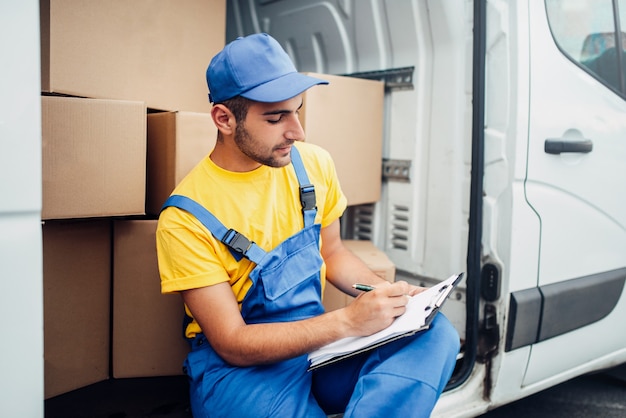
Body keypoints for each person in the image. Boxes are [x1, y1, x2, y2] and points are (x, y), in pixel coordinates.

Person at [156, 32, 460, 418]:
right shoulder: (185, 219)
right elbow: (232, 342)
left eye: (297, 110)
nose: (297, 131)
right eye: (275, 117)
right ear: (224, 119)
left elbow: (331, 252)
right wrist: (347, 320)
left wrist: (393, 298)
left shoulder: (312, 164)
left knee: (435, 334)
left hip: (320, 347)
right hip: (242, 373)